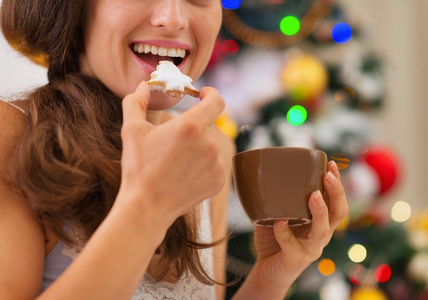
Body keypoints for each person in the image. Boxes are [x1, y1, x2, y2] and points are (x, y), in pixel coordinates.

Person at [0, 0, 348, 299]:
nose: (174, 18)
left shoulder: (209, 153)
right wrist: (151, 203)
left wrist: (269, 282)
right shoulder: (11, 134)